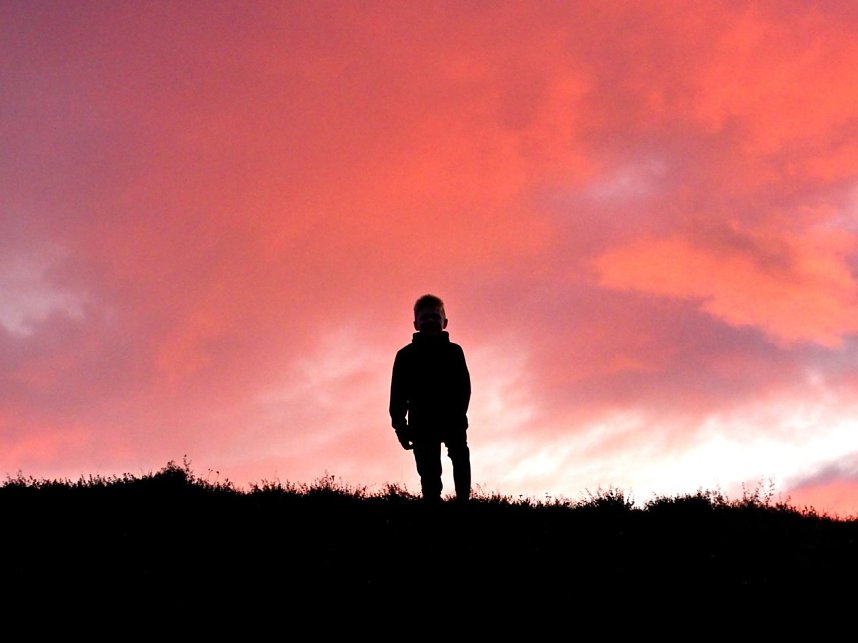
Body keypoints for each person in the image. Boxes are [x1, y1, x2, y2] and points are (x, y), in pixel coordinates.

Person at [389, 293, 472, 502]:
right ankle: (432, 501)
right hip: (421, 420)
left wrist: (459, 413)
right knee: (428, 467)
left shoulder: (455, 352)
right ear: (416, 323)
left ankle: (464, 500)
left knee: (460, 456)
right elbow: (397, 394)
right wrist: (400, 426)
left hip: (452, 416)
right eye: (424, 317)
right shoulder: (405, 355)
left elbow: (464, 386)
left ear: (444, 322)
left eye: (435, 316)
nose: (430, 321)